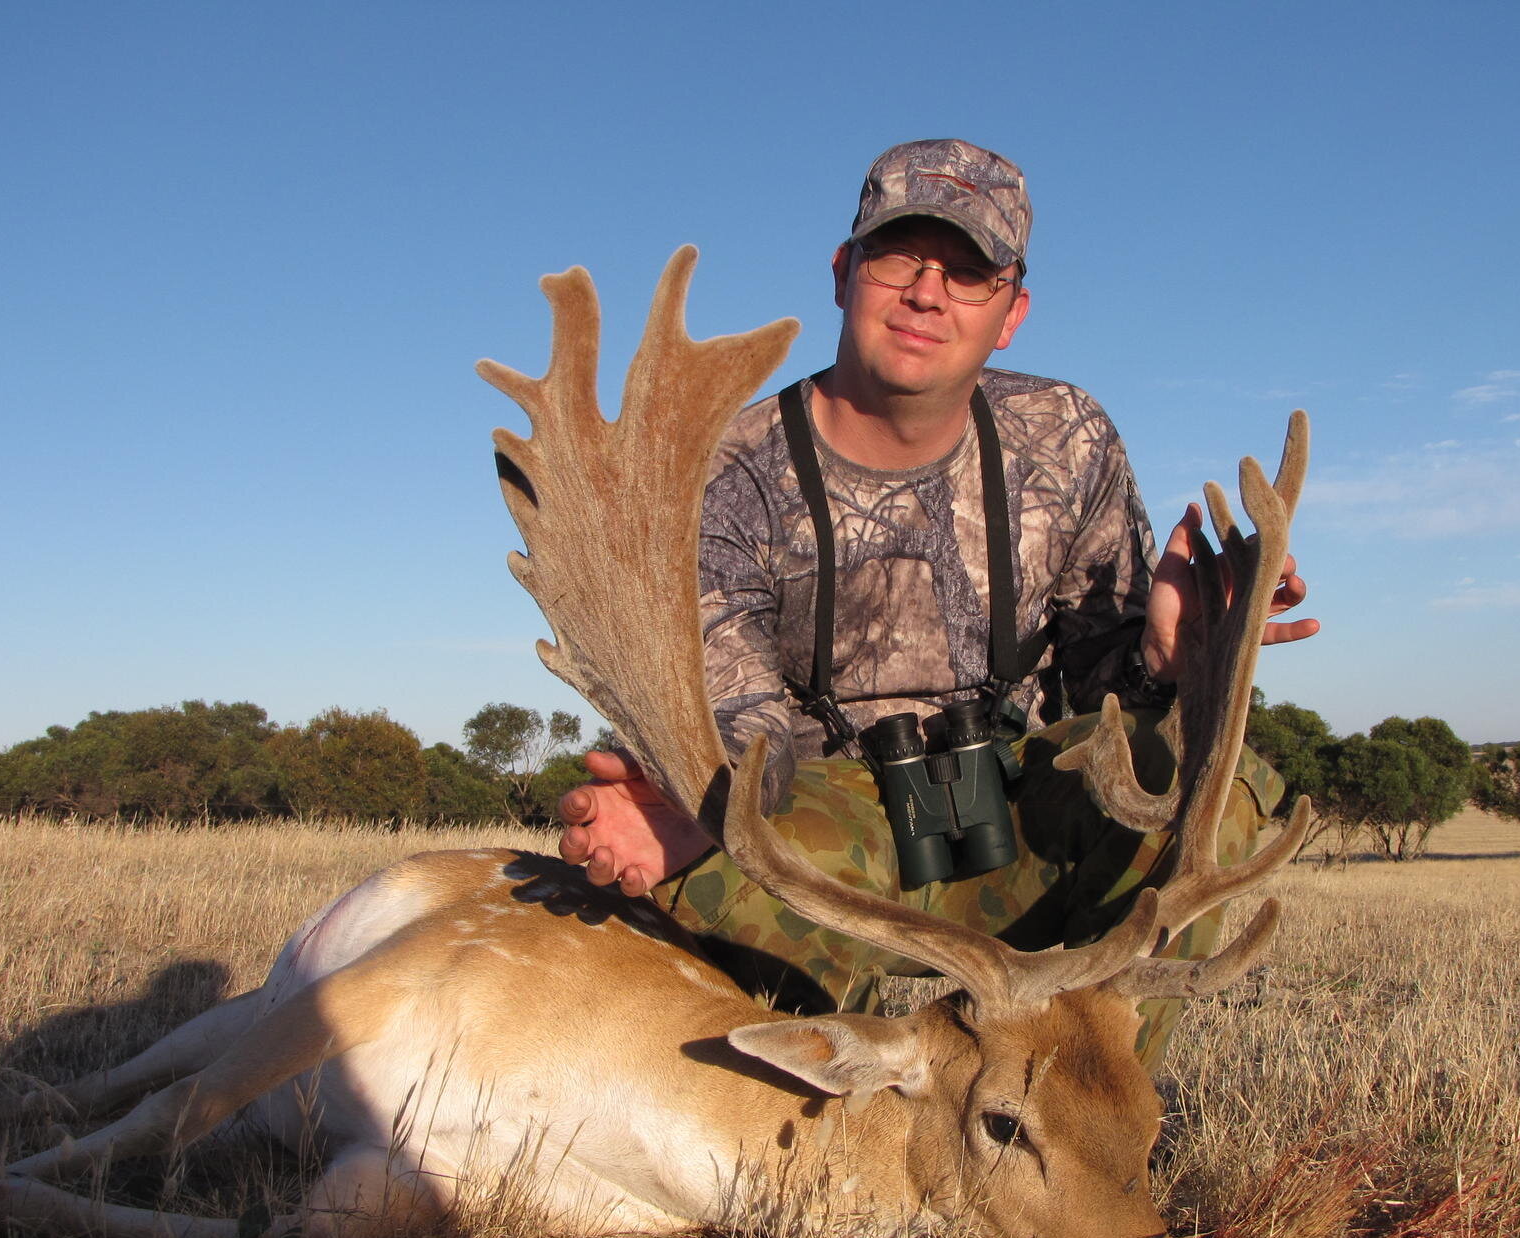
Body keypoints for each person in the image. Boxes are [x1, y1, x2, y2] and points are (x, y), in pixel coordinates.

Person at [555, 139, 1316, 1058]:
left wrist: (1164, 656)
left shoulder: (1065, 437)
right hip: (836, 834)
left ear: (1011, 314)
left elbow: (1103, 692)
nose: (927, 293)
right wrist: (699, 804)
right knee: (685, 850)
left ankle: (1083, 1110)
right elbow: (742, 727)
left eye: (969, 273)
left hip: (1021, 815)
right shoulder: (725, 469)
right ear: (844, 272)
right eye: (897, 257)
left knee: (1195, 776)